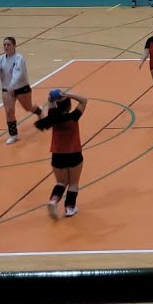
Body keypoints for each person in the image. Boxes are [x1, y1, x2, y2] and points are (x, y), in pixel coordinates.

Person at [33, 90, 89, 218]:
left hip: (57, 155)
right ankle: (69, 208)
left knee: (61, 182)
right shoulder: (74, 117)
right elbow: (84, 100)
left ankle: (53, 200)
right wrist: (68, 95)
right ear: (69, 106)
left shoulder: (53, 117)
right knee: (73, 183)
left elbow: (51, 103)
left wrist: (52, 98)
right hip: (74, 153)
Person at [0, 36, 44, 144]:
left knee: (28, 108)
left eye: (8, 45)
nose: (6, 47)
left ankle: (39, 111)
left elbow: (18, 73)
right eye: (4, 45)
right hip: (6, 90)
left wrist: (12, 85)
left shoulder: (19, 58)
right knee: (9, 111)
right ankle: (13, 134)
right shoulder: (0, 59)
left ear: (14, 45)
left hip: (21, 88)